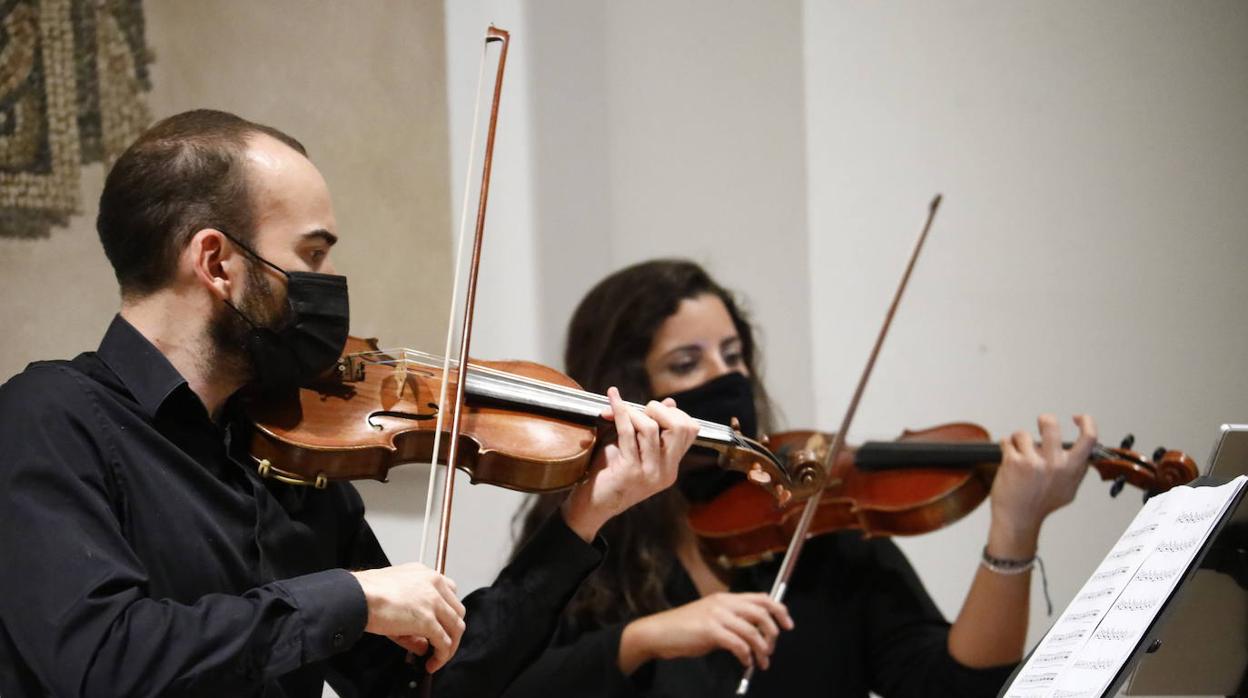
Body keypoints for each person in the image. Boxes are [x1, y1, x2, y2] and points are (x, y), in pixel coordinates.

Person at [0, 111, 700, 698]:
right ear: (216, 262)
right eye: (311, 255)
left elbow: (422, 684)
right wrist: (352, 599)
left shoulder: (291, 451)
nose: (329, 283)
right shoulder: (49, 419)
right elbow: (101, 659)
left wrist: (585, 514)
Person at [504, 259, 1098, 697]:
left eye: (733, 356)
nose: (725, 376)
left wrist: (1015, 533)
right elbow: (508, 684)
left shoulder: (809, 509)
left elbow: (953, 687)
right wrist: (642, 639)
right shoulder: (585, 531)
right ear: (629, 391)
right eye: (688, 364)